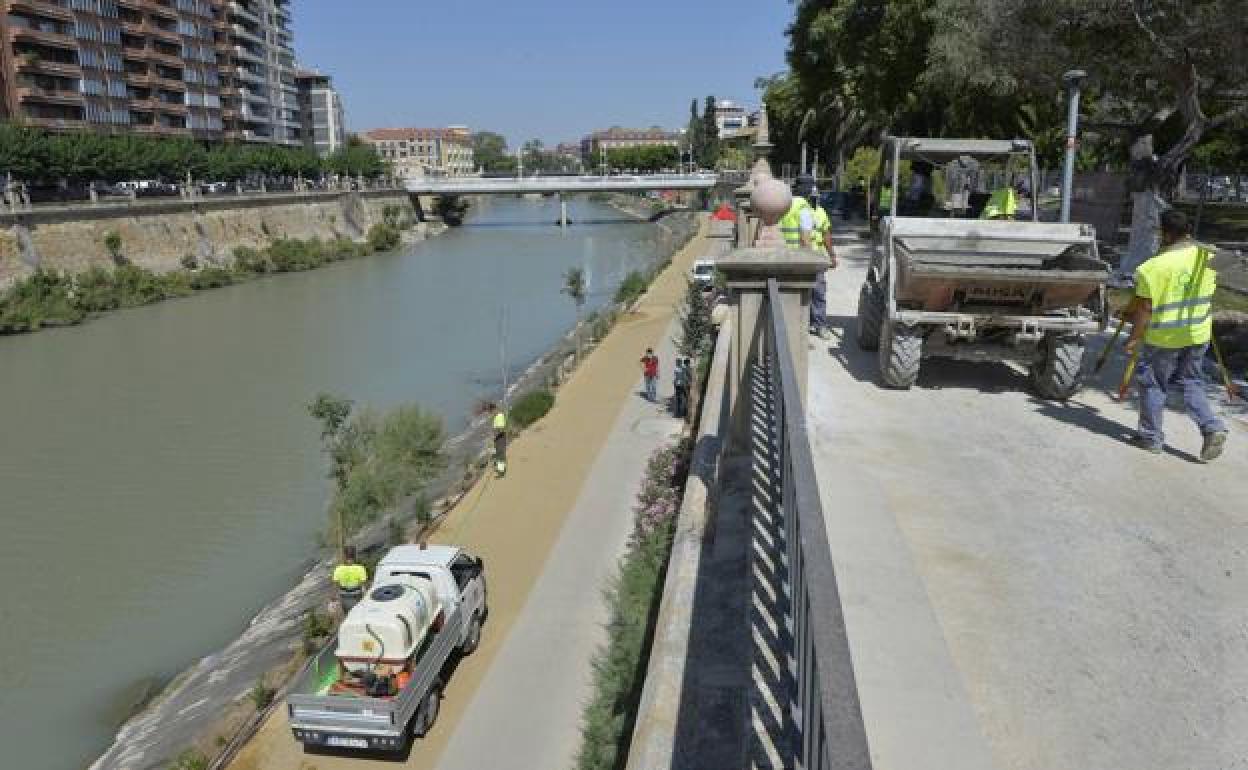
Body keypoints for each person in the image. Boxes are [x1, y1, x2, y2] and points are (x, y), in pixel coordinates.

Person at [1123, 209, 1228, 461]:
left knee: (1153, 383)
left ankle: (1151, 438)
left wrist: (1135, 337)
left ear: (1165, 234)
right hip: (1197, 334)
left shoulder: (1152, 268)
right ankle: (1211, 427)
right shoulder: (1209, 257)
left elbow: (1145, 309)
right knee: (1191, 382)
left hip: (1164, 339)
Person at [804, 184, 838, 337]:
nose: (814, 199)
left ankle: (819, 325)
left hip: (817, 255)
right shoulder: (800, 211)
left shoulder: (821, 212)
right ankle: (804, 323)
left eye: (816, 197)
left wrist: (832, 255)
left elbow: (826, 235)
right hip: (801, 255)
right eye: (812, 197)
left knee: (818, 291)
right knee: (803, 291)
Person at [779, 175, 816, 249]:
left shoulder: (784, 202)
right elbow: (805, 239)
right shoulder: (802, 206)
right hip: (797, 254)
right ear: (809, 189)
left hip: (782, 252)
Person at [332, 546, 369, 613]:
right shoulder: (360, 568)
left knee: (348, 613)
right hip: (357, 595)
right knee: (359, 612)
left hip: (344, 596)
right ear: (354, 556)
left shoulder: (338, 569)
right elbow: (363, 587)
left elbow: (335, 587)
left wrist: (333, 599)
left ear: (344, 556)